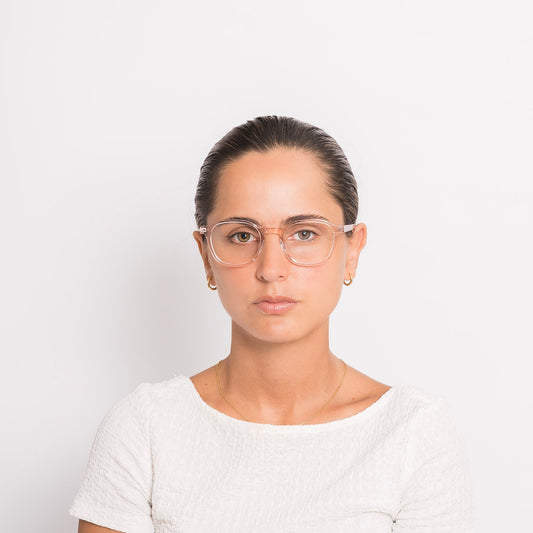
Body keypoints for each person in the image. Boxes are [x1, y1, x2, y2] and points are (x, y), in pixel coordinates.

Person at [69, 116, 474, 532]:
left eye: (304, 233)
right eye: (242, 236)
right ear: (206, 255)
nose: (271, 268)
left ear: (352, 251)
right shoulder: (144, 430)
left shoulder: (412, 432)